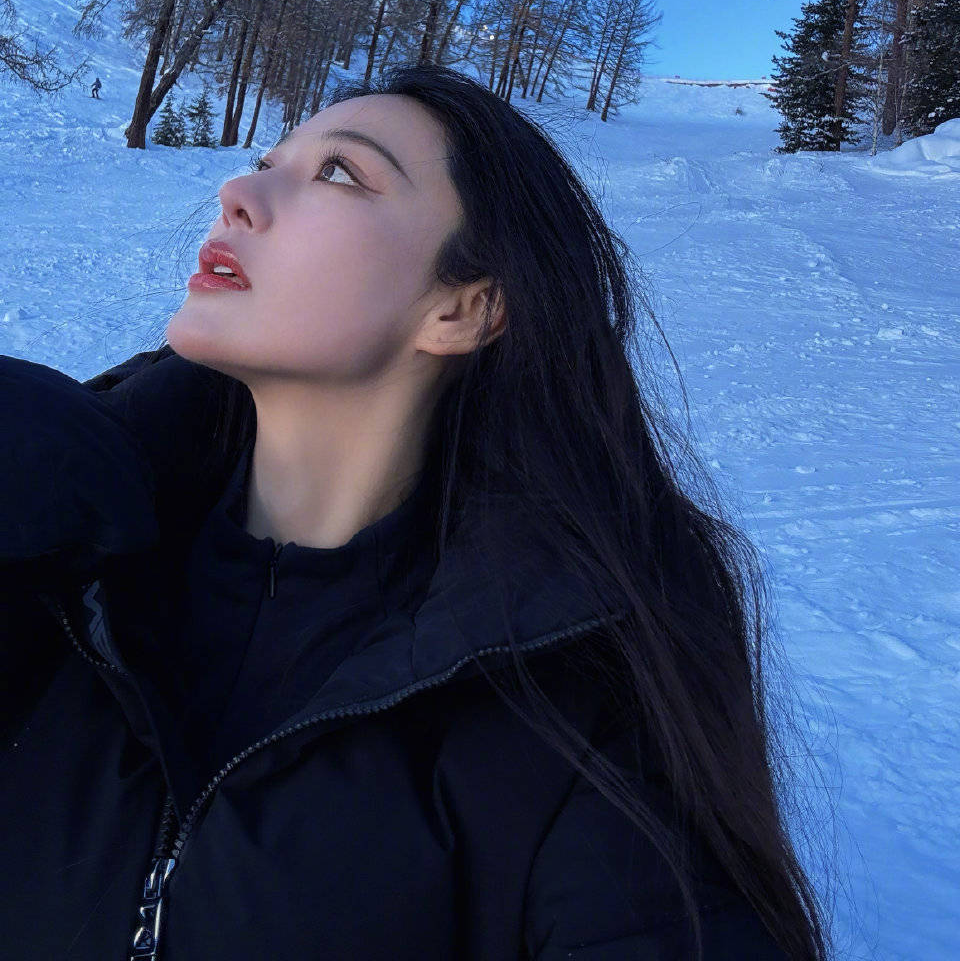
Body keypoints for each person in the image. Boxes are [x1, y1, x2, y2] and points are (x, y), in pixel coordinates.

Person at [0, 63, 830, 960]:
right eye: (268, 162)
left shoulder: (574, 712)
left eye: (338, 173)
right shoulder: (48, 539)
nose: (238, 193)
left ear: (465, 309)